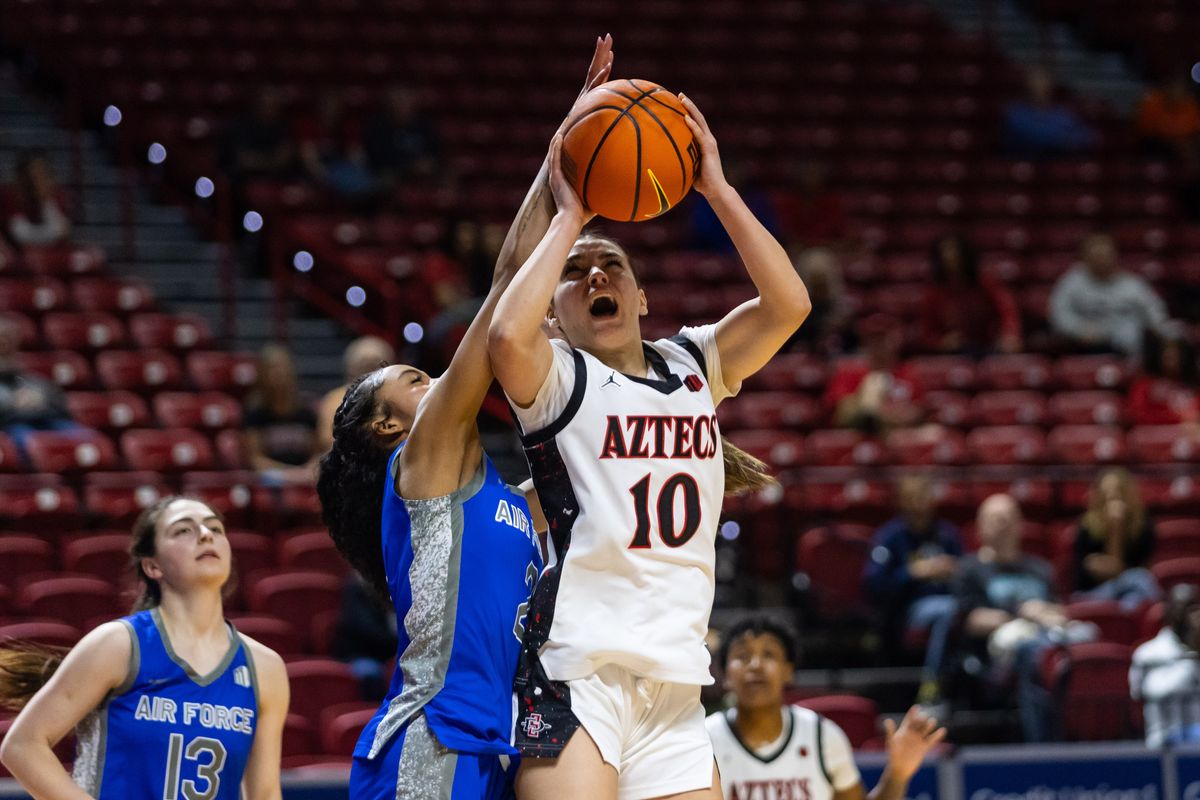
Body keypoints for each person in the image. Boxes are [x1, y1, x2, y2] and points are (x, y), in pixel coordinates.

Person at [487, 90, 811, 799]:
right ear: (556, 311)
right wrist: (570, 210)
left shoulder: (693, 363)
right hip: (577, 668)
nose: (596, 274)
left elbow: (789, 304)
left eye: (613, 267)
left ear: (641, 299)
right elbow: (506, 334)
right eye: (575, 272)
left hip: (675, 679)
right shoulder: (557, 377)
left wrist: (717, 190)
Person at [316, 36, 616, 799]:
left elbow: (590, 487)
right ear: (388, 427)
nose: (437, 384)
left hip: (492, 741)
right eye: (415, 381)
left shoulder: (495, 502)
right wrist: (566, 163)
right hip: (436, 733)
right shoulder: (420, 461)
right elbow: (507, 289)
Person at [0, 496, 289, 798]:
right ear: (153, 566)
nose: (206, 535)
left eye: (215, 529)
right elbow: (22, 746)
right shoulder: (117, 644)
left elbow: (265, 793)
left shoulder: (264, 666)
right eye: (183, 531)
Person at [707, 613, 945, 800]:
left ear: (789, 670)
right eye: (742, 655)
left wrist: (898, 773)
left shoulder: (821, 735)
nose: (756, 665)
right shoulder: (703, 740)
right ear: (724, 674)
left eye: (769, 654)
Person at [950, 494, 1096, 742]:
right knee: (1033, 651)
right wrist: (1021, 613)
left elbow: (1058, 612)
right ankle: (1044, 747)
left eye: (1009, 519)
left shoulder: (1040, 568)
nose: (1003, 525)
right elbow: (972, 621)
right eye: (996, 519)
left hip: (1047, 639)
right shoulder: (969, 569)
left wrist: (1045, 615)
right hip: (997, 660)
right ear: (980, 527)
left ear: (1020, 525)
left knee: (1088, 637)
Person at [864, 475, 963, 703]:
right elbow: (874, 585)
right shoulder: (890, 537)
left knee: (957, 610)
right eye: (913, 498)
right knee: (948, 609)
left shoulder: (947, 534)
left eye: (924, 497)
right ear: (902, 502)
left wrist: (954, 569)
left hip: (949, 602)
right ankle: (932, 684)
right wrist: (913, 572)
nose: (919, 504)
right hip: (906, 611)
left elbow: (966, 572)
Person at [1049, 231, 1170, 356]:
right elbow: (1058, 315)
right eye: (1096, 255)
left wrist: (1159, 330)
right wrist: (1079, 331)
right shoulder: (1071, 282)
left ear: (1115, 255)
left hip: (1124, 348)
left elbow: (1155, 313)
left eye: (1105, 255)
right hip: (1080, 346)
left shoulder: (1131, 285)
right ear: (1085, 257)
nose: (1101, 260)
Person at [1070, 468, 1161, 609]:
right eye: (1107, 493)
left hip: (1130, 593)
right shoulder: (1086, 528)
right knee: (1139, 578)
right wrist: (1115, 529)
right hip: (1090, 596)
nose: (1112, 497)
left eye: (1118, 492)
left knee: (1134, 595)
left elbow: (1145, 567)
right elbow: (1112, 570)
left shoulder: (1143, 527)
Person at [919, 233, 1021, 356]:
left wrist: (1010, 335)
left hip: (988, 347)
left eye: (955, 252)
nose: (951, 257)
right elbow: (927, 333)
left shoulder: (985, 283)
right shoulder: (934, 293)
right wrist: (942, 342)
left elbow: (1006, 310)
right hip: (952, 354)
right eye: (946, 252)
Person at [824, 314, 925, 434]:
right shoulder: (849, 372)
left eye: (883, 338)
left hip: (902, 437)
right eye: (873, 339)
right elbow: (840, 412)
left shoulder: (908, 373)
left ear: (896, 339)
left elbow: (918, 411)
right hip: (860, 436)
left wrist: (882, 413)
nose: (879, 344)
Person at [0, 315, 80, 459]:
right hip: (11, 426)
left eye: (8, 337)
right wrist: (12, 404)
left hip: (46, 419)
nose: (5, 342)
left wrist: (40, 400)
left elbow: (58, 402)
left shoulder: (26, 373)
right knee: (30, 442)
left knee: (86, 438)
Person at [1130, 584, 1200, 747]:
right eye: (1182, 608)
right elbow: (1153, 691)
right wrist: (1192, 660)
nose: (1189, 616)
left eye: (1194, 608)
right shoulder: (1149, 653)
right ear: (1168, 612)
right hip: (1164, 741)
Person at [242, 344, 319, 473]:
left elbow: (317, 453)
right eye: (273, 369)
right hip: (271, 479)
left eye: (283, 368)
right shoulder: (255, 413)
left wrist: (308, 469)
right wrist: (289, 474)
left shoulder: (307, 412)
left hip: (304, 478)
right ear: (263, 374)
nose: (280, 373)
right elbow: (255, 459)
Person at [316, 336, 397, 454]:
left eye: (374, 364)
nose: (369, 371)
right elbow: (326, 439)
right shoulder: (334, 399)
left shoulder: (397, 398)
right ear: (351, 367)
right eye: (364, 364)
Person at [363, 84, 444, 195]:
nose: (402, 103)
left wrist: (429, 164)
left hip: (424, 176)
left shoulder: (425, 126)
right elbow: (378, 160)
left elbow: (436, 153)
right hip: (389, 177)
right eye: (398, 99)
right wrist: (410, 167)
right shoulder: (378, 127)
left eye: (406, 98)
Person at [1003, 66, 1097, 159]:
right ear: (1027, 86)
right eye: (1036, 83)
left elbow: (1088, 136)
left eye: (1044, 82)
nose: (1040, 87)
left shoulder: (1062, 113)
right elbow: (1036, 137)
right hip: (1024, 165)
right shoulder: (1016, 112)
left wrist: (1070, 140)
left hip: (1059, 165)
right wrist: (1063, 139)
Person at [330, 573, 398, 701]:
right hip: (360, 654)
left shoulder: (396, 591)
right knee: (370, 673)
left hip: (389, 652)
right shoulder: (356, 590)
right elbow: (368, 632)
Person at [785, 247, 855, 356]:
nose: (819, 284)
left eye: (822, 279)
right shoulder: (795, 310)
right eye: (815, 279)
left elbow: (853, 348)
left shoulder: (844, 309)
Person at [1128, 328, 1199, 427]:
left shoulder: (1194, 387)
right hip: (1153, 439)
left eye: (1177, 353)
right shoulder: (1144, 386)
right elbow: (1137, 415)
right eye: (1168, 353)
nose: (1172, 358)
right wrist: (1177, 418)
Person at [6, 148, 71, 247]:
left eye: (41, 175)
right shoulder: (10, 197)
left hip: (50, 256)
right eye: (32, 176)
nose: (36, 182)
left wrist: (46, 201)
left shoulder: (58, 196)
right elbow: (19, 234)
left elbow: (60, 231)